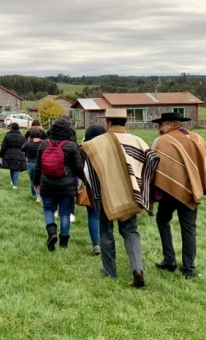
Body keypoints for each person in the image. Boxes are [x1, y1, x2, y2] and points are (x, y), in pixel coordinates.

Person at [81, 110, 157, 288]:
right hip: (131, 193)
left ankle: (109, 271)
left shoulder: (96, 143)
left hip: (105, 194)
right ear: (125, 123)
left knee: (106, 231)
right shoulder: (138, 141)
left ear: (107, 122)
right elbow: (152, 161)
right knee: (131, 231)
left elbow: (88, 171)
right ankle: (137, 268)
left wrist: (94, 189)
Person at [151, 112, 206, 280]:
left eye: (162, 124)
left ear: (171, 124)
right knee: (189, 228)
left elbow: (154, 166)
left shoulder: (163, 141)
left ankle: (169, 260)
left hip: (169, 192)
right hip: (193, 190)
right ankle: (189, 268)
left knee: (162, 220)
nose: (160, 128)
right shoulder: (197, 138)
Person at [34, 118, 83, 251]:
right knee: (65, 213)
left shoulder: (44, 144)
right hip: (67, 185)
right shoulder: (72, 146)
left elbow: (38, 167)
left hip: (47, 184)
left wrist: (36, 182)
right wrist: (84, 180)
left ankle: (51, 232)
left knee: (48, 209)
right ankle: (63, 242)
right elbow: (78, 168)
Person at [78, 124, 106, 256]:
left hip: (90, 185)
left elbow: (80, 169)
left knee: (93, 216)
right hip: (108, 186)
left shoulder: (84, 150)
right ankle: (107, 243)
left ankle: (97, 243)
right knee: (107, 217)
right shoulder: (109, 149)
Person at [0, 122, 27, 189]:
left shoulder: (7, 136)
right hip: (19, 154)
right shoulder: (22, 137)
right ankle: (15, 184)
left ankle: (13, 183)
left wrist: (1, 155)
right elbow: (25, 146)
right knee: (16, 169)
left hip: (9, 154)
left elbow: (3, 146)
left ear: (11, 128)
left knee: (12, 168)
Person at [21, 129, 45, 202]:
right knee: (40, 180)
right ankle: (39, 195)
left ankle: (34, 193)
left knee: (32, 180)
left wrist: (28, 141)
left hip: (30, 163)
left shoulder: (28, 144)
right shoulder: (43, 144)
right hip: (41, 164)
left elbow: (22, 148)